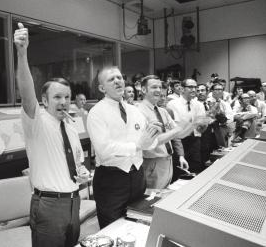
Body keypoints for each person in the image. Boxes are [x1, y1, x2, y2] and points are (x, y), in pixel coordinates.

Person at [14, 23, 90, 247]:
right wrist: (22, 53)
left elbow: (76, 162)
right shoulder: (36, 122)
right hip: (48, 205)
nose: (64, 102)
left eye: (67, 97)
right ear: (44, 100)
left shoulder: (70, 125)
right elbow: (27, 92)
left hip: (73, 201)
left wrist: (82, 173)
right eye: (57, 97)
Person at [86, 66, 160, 228]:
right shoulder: (96, 113)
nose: (117, 81)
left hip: (137, 177)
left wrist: (154, 134)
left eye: (119, 77)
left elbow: (148, 143)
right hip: (111, 180)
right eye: (111, 79)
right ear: (101, 88)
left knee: (136, 223)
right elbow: (104, 150)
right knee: (112, 228)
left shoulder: (134, 110)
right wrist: (137, 145)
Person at [137, 75, 193, 189]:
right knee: (152, 199)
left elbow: (179, 134)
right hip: (152, 163)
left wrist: (194, 124)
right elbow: (152, 142)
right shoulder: (138, 112)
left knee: (163, 197)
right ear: (143, 90)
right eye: (154, 87)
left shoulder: (162, 111)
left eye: (159, 87)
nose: (158, 90)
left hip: (168, 161)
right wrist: (178, 128)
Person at [167, 79, 208, 173]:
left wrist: (204, 125)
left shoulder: (199, 105)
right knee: (180, 170)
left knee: (196, 167)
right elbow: (174, 128)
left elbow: (201, 127)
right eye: (190, 87)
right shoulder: (172, 104)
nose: (194, 90)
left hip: (195, 141)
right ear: (182, 89)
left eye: (195, 87)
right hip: (180, 142)